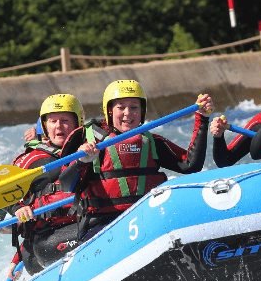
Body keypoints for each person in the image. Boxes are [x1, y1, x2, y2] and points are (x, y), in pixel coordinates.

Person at [59, 80, 213, 237]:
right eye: (121, 107)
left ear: (142, 111)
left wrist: (203, 119)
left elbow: (190, 165)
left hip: (147, 218)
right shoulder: (92, 144)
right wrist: (81, 162)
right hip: (103, 224)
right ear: (110, 111)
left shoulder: (151, 142)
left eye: (134, 107)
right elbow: (67, 186)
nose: (128, 113)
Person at [0, 94, 85, 279]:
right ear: (45, 126)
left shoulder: (89, 152)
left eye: (64, 120)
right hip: (45, 243)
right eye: (53, 121)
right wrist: (17, 209)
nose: (58, 126)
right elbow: (0, 192)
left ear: (78, 122)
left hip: (79, 226)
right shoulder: (33, 159)